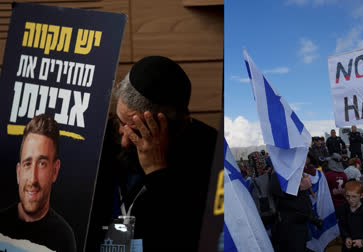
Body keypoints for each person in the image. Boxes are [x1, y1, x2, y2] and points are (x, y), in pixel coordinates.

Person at [87, 56, 218, 251]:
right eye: (121, 123)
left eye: (138, 132)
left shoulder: (211, 153)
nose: (123, 140)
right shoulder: (103, 138)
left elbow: (188, 238)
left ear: (176, 127)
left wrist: (157, 171)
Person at [0, 114, 76, 252]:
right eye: (27, 164)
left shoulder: (63, 237)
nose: (33, 179)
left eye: (42, 164)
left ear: (55, 170)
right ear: (18, 172)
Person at [270, 166, 314, 252]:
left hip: (301, 223)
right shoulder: (279, 169)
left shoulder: (294, 169)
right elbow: (275, 188)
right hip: (290, 227)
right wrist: (300, 187)